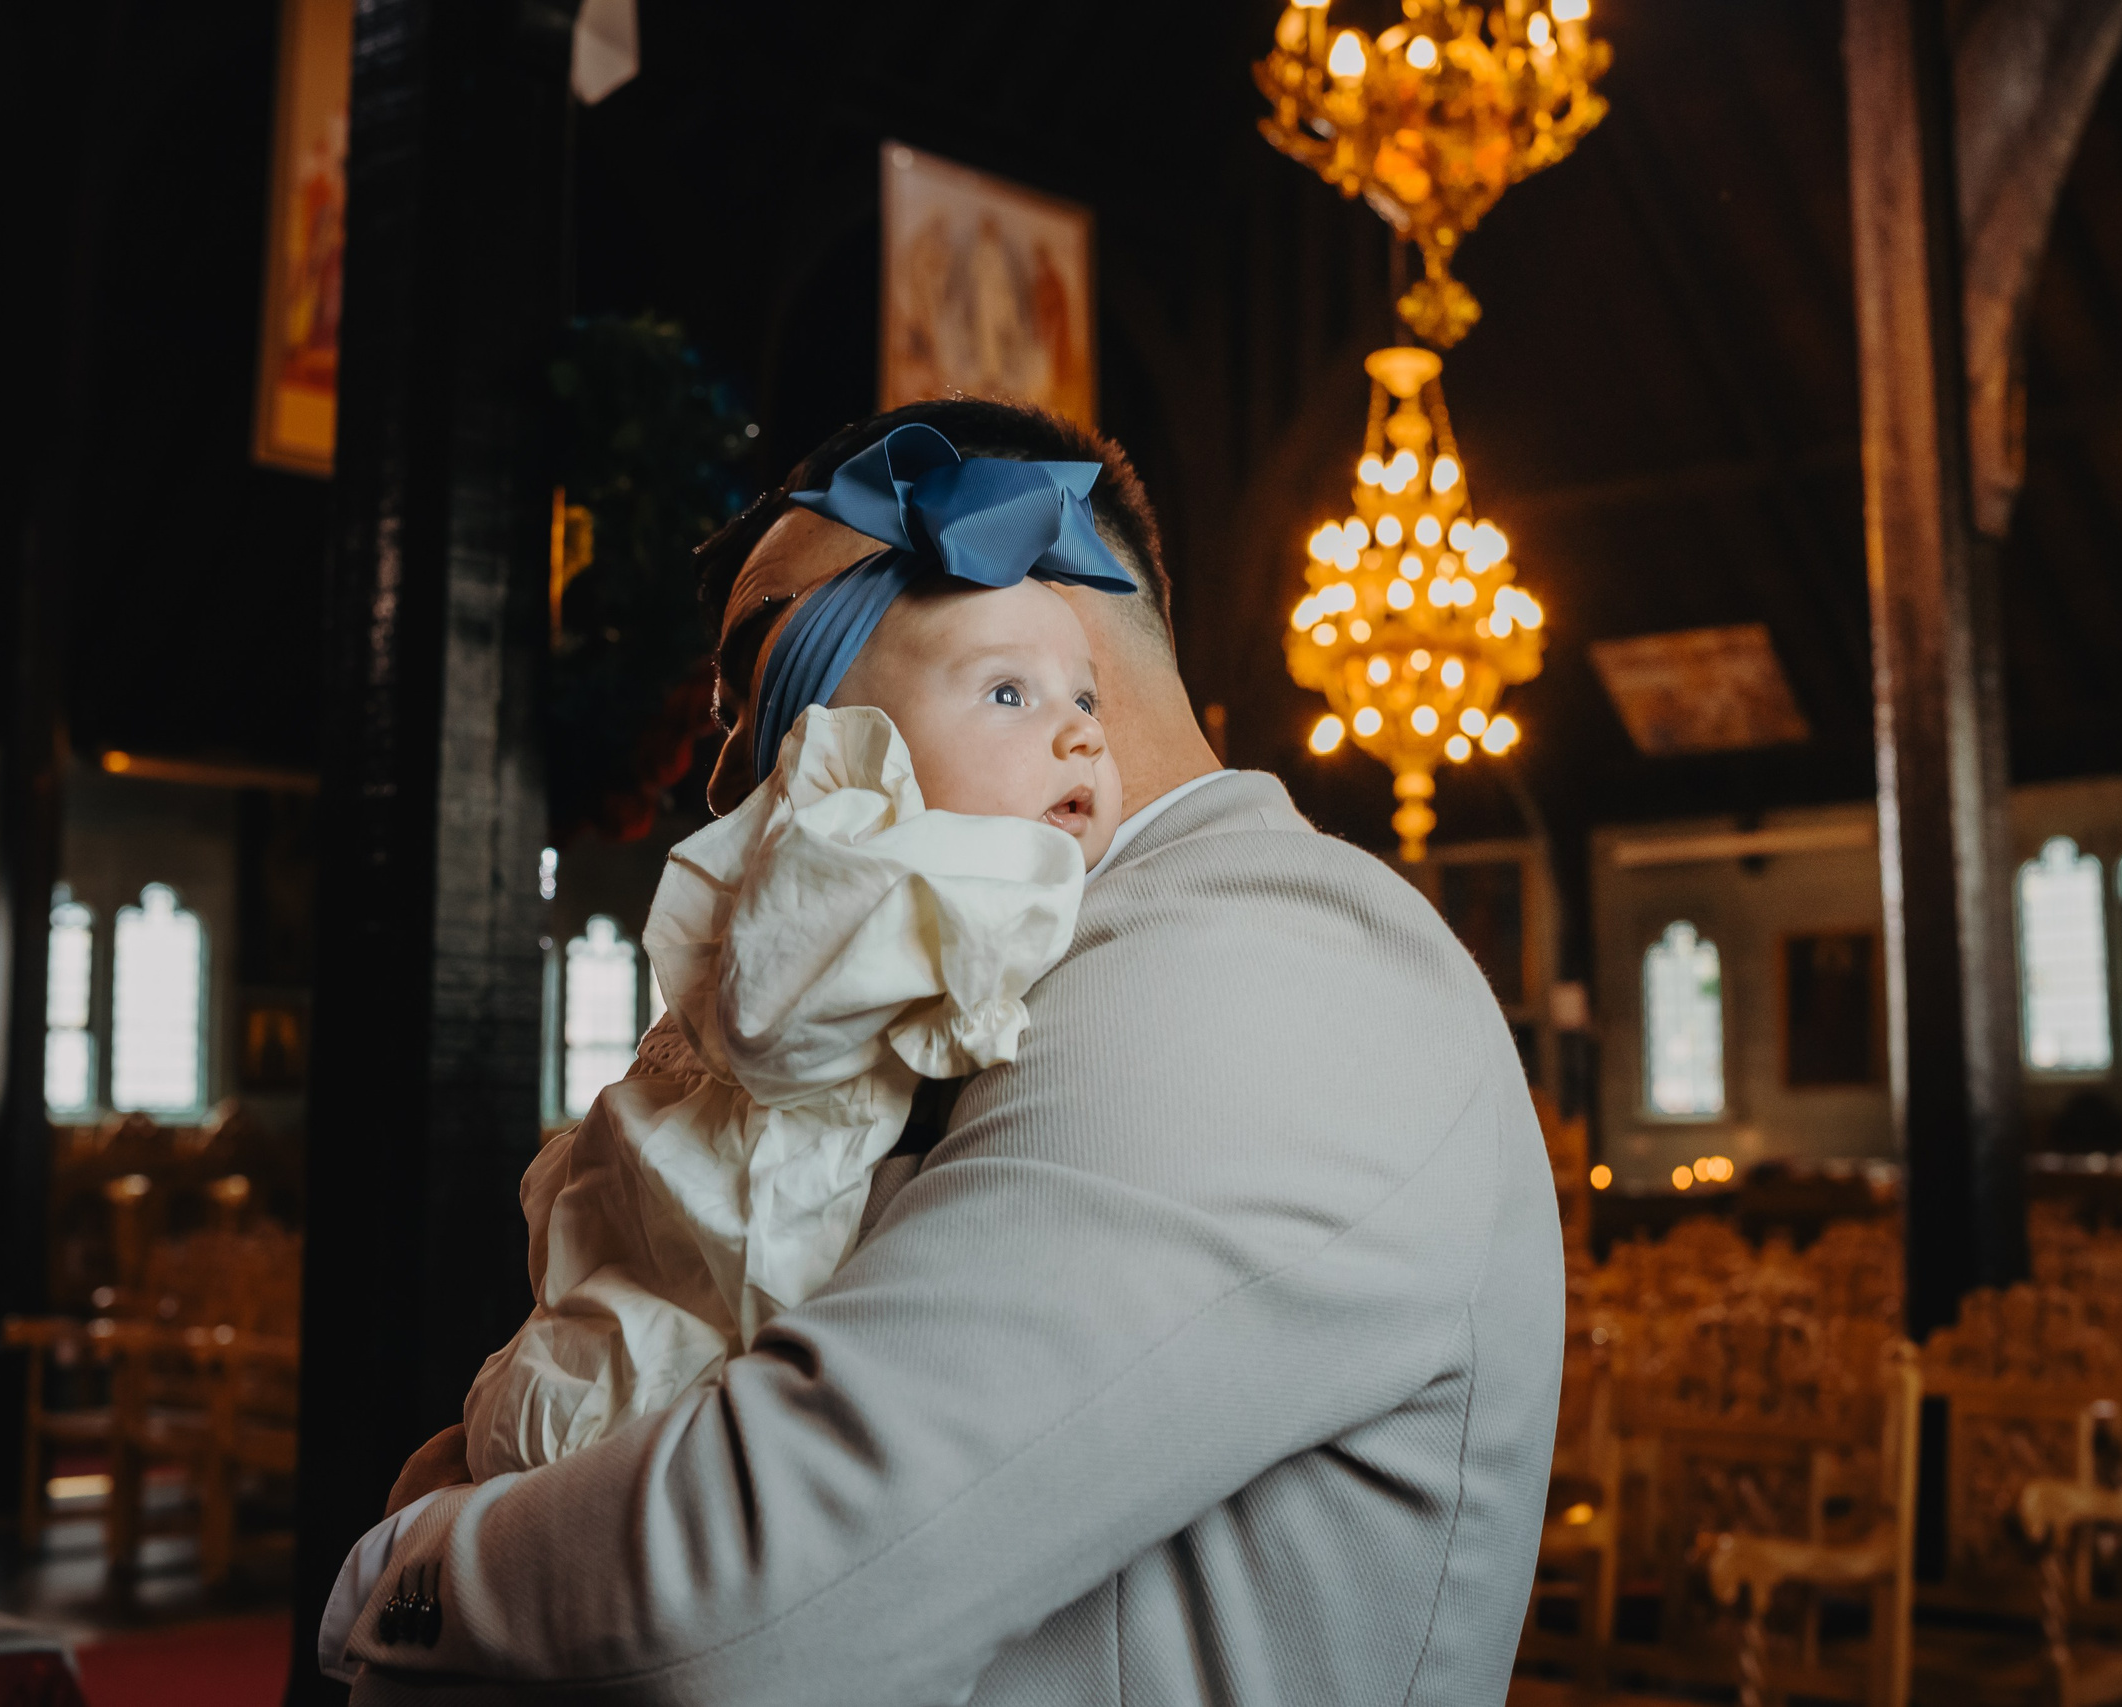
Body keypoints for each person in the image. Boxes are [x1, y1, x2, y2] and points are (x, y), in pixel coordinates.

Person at [323, 398, 1565, 1705]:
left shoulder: (1282, 953)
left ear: (1012, 615)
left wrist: (413, 1561)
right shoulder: (986, 978)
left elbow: (767, 1589)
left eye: (768, 671)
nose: (726, 765)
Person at [460, 424, 1134, 1478]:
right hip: (652, 1366)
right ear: (851, 756)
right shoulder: (850, 872)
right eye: (1009, 695)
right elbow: (792, 1010)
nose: (1081, 733)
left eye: (1084, 698)